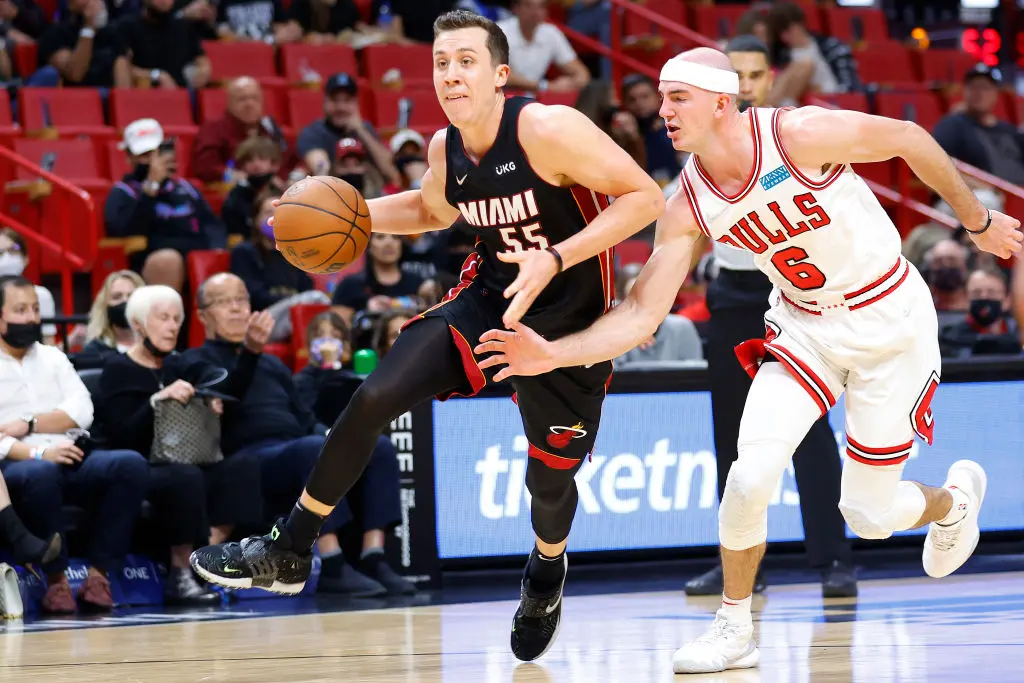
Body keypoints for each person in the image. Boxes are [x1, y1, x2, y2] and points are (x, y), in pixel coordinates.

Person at [471, 47, 1022, 673]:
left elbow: (907, 137)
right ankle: (734, 628)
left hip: (889, 319)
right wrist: (550, 356)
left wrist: (975, 221)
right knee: (749, 474)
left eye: (678, 98)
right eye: (661, 97)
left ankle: (951, 504)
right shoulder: (688, 203)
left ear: (722, 102)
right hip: (804, 326)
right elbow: (642, 314)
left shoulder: (796, 134)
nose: (663, 111)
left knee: (868, 516)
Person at [190, 9, 664, 662]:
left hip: (568, 323)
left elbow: (644, 199)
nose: (451, 74)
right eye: (441, 62)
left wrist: (556, 257)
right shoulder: (446, 149)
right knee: (376, 393)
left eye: (466, 60)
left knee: (548, 486)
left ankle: (547, 568)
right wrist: (339, 214)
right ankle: (290, 546)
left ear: (501, 75)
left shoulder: (547, 128)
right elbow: (429, 209)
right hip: (489, 301)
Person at [681, 35, 855, 599]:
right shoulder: (699, 143)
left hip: (796, 293)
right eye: (737, 75)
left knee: (808, 431)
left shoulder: (790, 134)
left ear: (768, 77)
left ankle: (833, 560)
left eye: (755, 74)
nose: (746, 85)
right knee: (730, 436)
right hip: (733, 294)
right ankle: (740, 568)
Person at [93, 285, 272, 605]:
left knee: (242, 466)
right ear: (138, 324)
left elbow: (228, 386)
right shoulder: (117, 368)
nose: (173, 325)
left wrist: (247, 357)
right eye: (163, 318)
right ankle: (180, 575)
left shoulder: (180, 364)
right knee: (184, 476)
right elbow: (121, 434)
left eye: (177, 319)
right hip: (139, 464)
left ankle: (205, 560)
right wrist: (156, 401)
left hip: (185, 457)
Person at [73, 270, 145, 370]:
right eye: (117, 297)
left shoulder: (158, 348)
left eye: (131, 296)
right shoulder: (94, 351)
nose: (125, 301)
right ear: (105, 306)